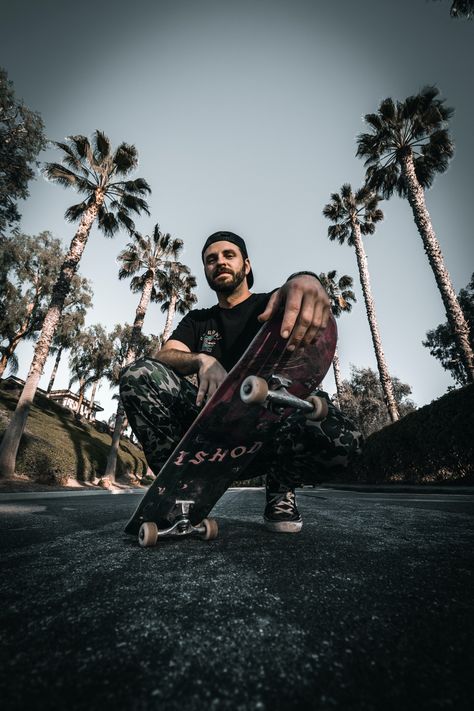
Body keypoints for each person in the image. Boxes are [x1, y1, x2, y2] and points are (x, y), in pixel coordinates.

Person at [120, 231, 362, 533]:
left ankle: (281, 485)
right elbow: (165, 356)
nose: (219, 262)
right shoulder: (198, 321)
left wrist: (307, 280)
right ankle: (179, 489)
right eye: (211, 259)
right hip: (208, 436)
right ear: (206, 270)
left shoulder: (271, 307)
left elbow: (296, 291)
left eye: (228, 255)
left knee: (343, 437)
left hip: (270, 433)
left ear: (246, 265)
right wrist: (201, 359)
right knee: (138, 375)